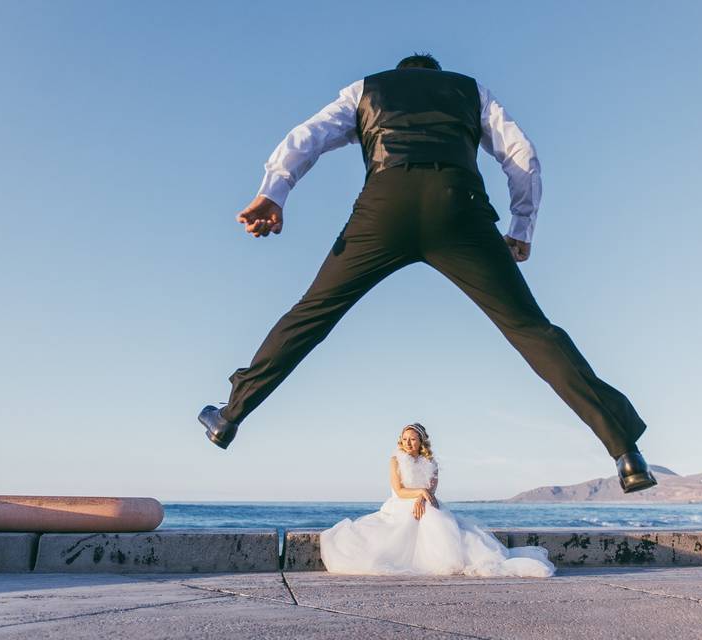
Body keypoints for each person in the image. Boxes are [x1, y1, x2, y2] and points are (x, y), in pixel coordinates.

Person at [198, 52, 657, 493]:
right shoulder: (471, 91)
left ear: (401, 74)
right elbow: (522, 154)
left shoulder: (367, 88)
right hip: (458, 205)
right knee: (531, 330)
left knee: (312, 314)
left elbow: (308, 137)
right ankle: (625, 450)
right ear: (437, 75)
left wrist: (274, 191)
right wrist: (521, 225)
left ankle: (231, 415)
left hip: (384, 205)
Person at [319, 423, 555, 577]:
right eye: (404, 439)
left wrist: (423, 495)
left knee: (436, 516)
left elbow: (431, 490)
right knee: (415, 519)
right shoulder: (395, 460)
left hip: (426, 502)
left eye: (413, 439)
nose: (408, 443)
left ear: (421, 441)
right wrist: (419, 494)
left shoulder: (431, 463)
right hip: (399, 506)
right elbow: (400, 490)